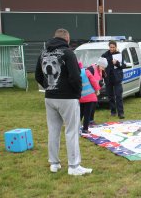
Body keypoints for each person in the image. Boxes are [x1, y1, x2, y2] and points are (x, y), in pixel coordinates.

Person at [35, 28, 92, 176]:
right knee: (72, 131)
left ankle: (54, 164)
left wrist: (48, 86)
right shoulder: (68, 53)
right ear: (67, 39)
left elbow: (37, 75)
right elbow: (75, 76)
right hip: (68, 98)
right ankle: (73, 166)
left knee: (53, 131)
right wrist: (77, 94)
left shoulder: (43, 53)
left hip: (50, 97)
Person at [102, 40, 126, 119]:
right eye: (110, 47)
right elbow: (101, 65)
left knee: (118, 96)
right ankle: (113, 111)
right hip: (108, 78)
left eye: (113, 47)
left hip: (117, 78)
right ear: (109, 47)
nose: (112, 48)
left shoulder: (119, 55)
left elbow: (124, 65)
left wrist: (117, 63)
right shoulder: (105, 55)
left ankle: (121, 113)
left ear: (116, 47)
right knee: (110, 96)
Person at [78, 60, 101, 134]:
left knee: (80, 113)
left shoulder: (75, 73)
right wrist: (97, 89)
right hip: (90, 96)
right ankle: (85, 129)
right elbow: (93, 81)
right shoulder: (86, 71)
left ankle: (76, 128)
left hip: (81, 97)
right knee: (87, 114)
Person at [86, 57, 108, 125]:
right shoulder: (92, 69)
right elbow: (87, 79)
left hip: (96, 91)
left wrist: (101, 85)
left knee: (94, 105)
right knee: (90, 106)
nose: (104, 68)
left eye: (104, 67)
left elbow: (101, 79)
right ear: (99, 64)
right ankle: (87, 121)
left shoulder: (102, 70)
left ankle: (91, 120)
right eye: (103, 67)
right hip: (89, 90)